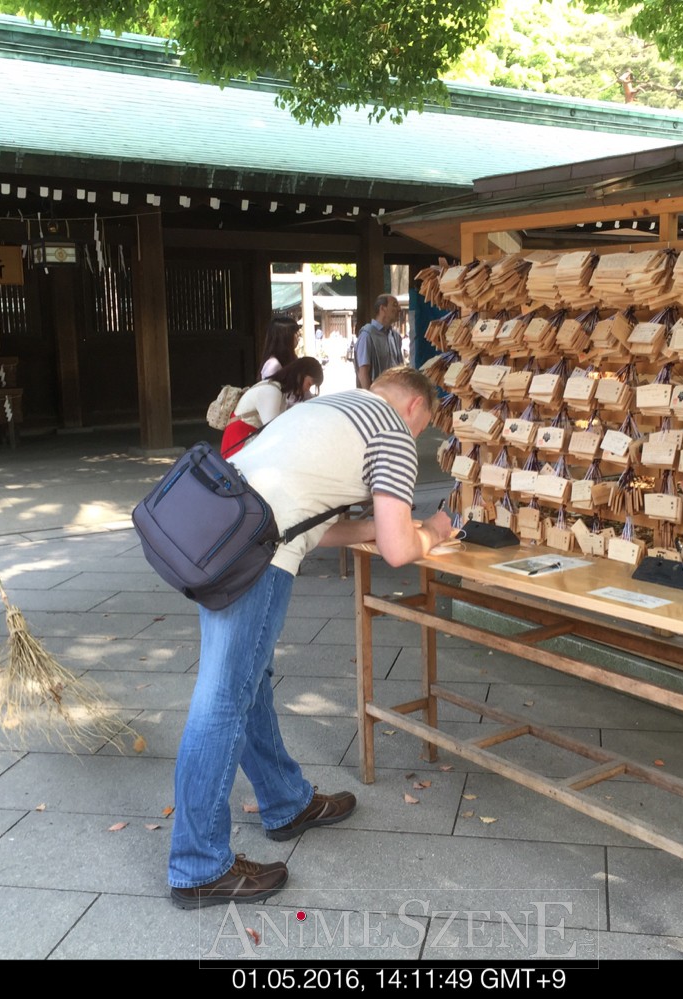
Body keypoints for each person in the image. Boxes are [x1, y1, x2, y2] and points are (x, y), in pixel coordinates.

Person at [168, 366, 456, 907]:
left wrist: (378, 528)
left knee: (245, 686)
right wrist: (436, 530)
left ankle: (285, 802)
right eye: (422, 428)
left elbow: (311, 521)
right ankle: (198, 865)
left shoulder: (326, 409)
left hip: (220, 539)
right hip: (257, 558)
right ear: (416, 407)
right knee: (223, 701)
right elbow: (399, 551)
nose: (415, 437)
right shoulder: (394, 430)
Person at [219, 356, 323, 459]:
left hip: (243, 441)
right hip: (239, 443)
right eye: (309, 384)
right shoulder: (271, 392)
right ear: (300, 375)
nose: (307, 389)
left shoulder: (277, 389)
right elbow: (272, 432)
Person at [354, 294, 405, 390]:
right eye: (395, 305)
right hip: (377, 394)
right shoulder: (367, 335)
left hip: (395, 393)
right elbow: (363, 372)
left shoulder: (395, 336)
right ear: (382, 308)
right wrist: (370, 397)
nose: (399, 309)